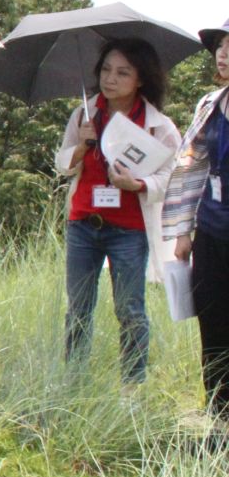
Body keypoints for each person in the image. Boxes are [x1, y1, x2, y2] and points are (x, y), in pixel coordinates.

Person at [56, 38, 180, 386]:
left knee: (130, 310)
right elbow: (63, 165)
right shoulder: (85, 114)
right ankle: (74, 380)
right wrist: (81, 147)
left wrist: (137, 184)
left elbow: (170, 178)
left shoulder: (158, 126)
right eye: (106, 70)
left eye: (123, 72)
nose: (111, 79)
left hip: (129, 229)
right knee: (78, 307)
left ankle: (132, 387)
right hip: (83, 223)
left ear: (140, 79)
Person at [164, 21, 229, 424]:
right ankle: (219, 418)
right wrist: (182, 231)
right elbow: (192, 168)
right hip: (211, 230)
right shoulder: (210, 105)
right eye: (221, 46)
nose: (223, 54)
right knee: (213, 324)